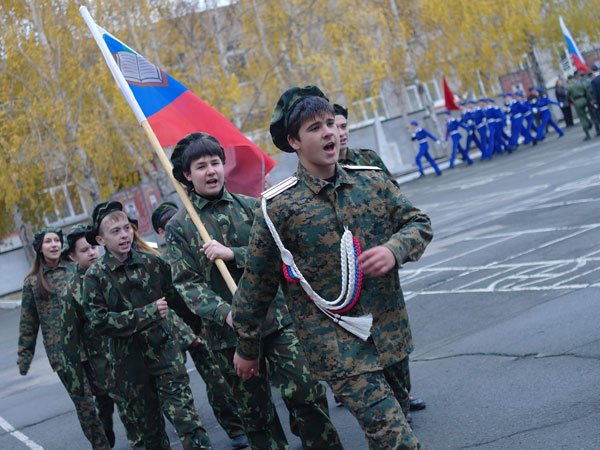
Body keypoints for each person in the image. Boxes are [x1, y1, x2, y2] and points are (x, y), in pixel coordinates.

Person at [232, 85, 432, 449]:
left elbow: (418, 223)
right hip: (337, 346)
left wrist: (394, 250)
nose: (329, 133)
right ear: (293, 141)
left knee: (393, 428)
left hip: (389, 331)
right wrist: (247, 348)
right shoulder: (279, 208)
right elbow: (257, 283)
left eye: (330, 123)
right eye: (315, 128)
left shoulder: (371, 180)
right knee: (397, 440)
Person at [165, 132, 342, 450]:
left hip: (276, 321)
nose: (211, 171)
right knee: (256, 415)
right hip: (228, 336)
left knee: (307, 392)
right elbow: (186, 283)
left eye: (215, 163)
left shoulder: (251, 207)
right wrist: (226, 314)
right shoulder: (181, 227)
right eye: (201, 166)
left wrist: (233, 253)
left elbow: (278, 256)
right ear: (187, 175)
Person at [83, 201, 212, 450]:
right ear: (100, 240)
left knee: (187, 420)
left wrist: (194, 330)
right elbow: (99, 321)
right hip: (129, 365)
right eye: (115, 231)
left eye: (126, 228)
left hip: (165, 354)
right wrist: (148, 313)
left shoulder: (153, 263)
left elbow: (178, 302)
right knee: (150, 434)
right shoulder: (95, 277)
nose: (124, 235)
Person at [334, 103, 426, 416]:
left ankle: (402, 394)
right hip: (343, 278)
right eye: (333, 126)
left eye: (343, 126)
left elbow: (396, 201)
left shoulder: (367, 161)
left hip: (379, 265)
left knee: (394, 338)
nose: (339, 133)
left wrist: (393, 247)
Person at [151, 202, 249, 450]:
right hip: (180, 329)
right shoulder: (161, 262)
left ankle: (237, 427)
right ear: (161, 232)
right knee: (183, 386)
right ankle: (215, 430)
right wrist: (186, 333)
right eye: (169, 223)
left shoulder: (203, 244)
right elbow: (167, 303)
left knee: (218, 381)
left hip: (206, 324)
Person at [17, 227, 111, 450]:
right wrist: (24, 357)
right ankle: (101, 446)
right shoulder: (32, 282)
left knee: (106, 395)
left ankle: (106, 430)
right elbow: (28, 323)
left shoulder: (75, 268)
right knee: (85, 407)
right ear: (40, 248)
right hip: (63, 354)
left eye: (57, 241)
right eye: (48, 241)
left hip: (90, 346)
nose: (54, 245)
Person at [333, 103, 397, 183]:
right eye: (335, 128)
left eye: (344, 126)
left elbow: (393, 187)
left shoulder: (369, 157)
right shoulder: (325, 169)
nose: (341, 133)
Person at [567, 72, 593, 141]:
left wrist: (572, 102)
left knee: (582, 118)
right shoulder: (580, 84)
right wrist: (589, 100)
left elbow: (568, 97)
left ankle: (587, 134)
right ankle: (589, 121)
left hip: (577, 102)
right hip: (584, 99)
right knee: (584, 114)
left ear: (570, 80)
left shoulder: (570, 87)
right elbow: (586, 92)